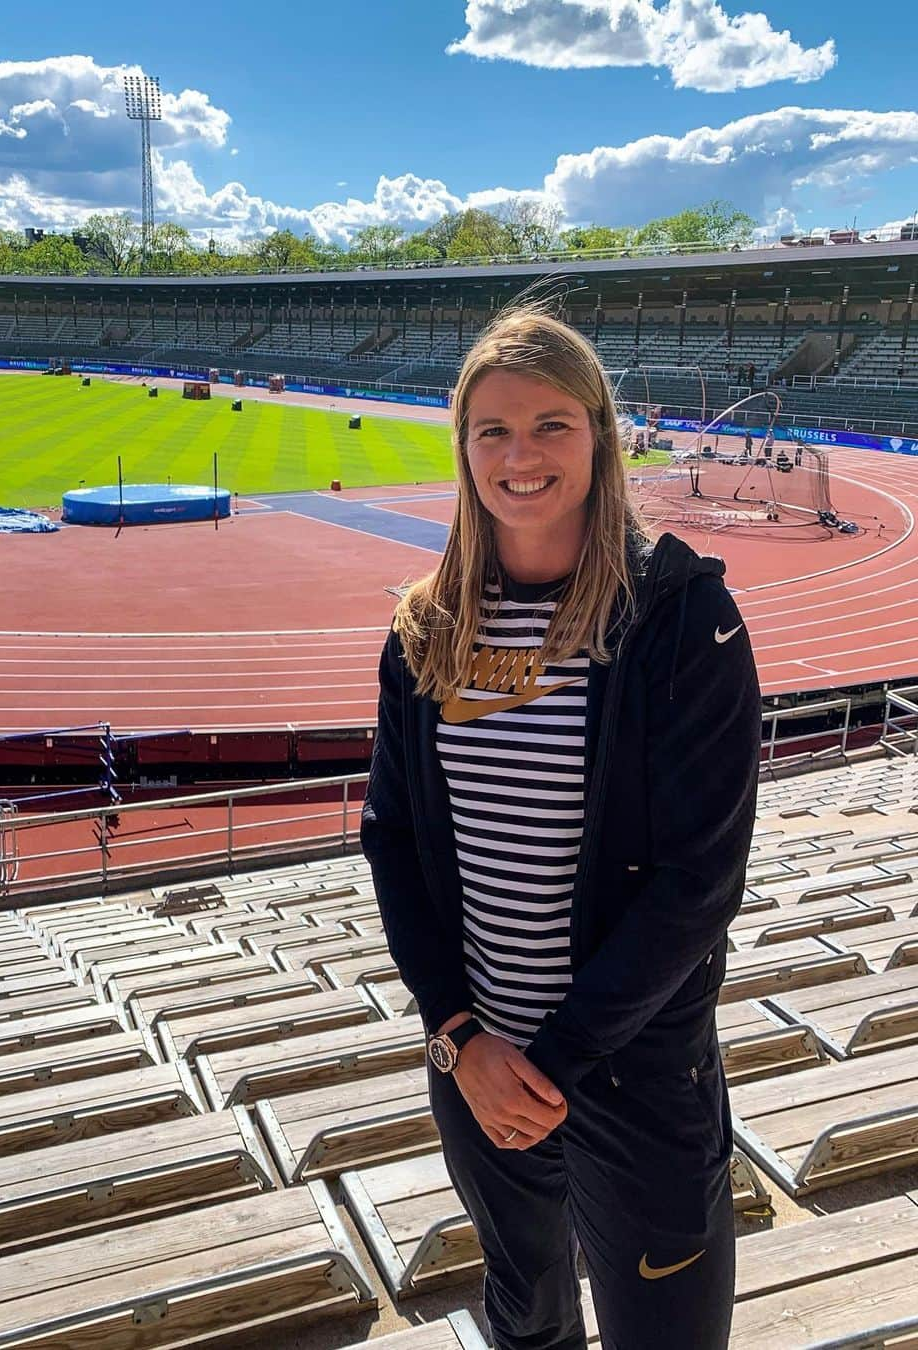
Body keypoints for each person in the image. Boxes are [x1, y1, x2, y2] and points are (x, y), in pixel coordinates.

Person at [361, 305, 761, 1350]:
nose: (519, 454)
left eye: (550, 426)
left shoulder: (680, 620)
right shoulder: (423, 633)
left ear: (599, 436)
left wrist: (558, 1061)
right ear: (462, 449)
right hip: (478, 1069)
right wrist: (458, 1035)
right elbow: (393, 838)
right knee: (526, 1317)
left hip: (627, 1074)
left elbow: (698, 882)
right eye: (491, 430)